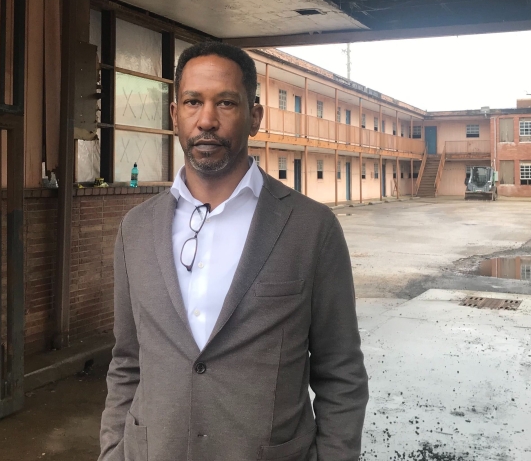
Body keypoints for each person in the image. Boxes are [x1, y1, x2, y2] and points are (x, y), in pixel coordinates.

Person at [98, 42, 368, 461]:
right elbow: (127, 362)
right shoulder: (136, 230)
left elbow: (342, 374)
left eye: (225, 102)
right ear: (175, 115)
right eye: (192, 102)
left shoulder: (311, 229)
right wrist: (112, 450)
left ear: (254, 116)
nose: (207, 119)